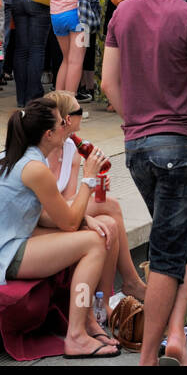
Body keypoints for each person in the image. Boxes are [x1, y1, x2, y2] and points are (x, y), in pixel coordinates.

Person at [101, 0, 187, 365]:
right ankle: (150, 356)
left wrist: (134, 118)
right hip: (181, 146)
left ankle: (176, 336)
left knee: (178, 236)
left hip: (138, 146)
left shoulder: (124, 12)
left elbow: (108, 83)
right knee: (169, 251)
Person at [0, 98, 119, 358]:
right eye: (63, 122)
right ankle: (76, 336)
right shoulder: (36, 168)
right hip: (1, 254)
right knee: (94, 243)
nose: (68, 125)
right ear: (49, 134)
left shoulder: (14, 155)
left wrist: (84, 221)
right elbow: (69, 222)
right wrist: (89, 178)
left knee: (94, 230)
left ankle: (88, 320)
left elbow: (47, 216)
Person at [45, 90, 148, 300]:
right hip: (42, 218)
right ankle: (131, 282)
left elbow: (70, 199)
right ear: (66, 119)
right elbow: (52, 207)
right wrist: (89, 184)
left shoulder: (71, 147)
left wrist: (89, 185)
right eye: (79, 110)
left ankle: (104, 301)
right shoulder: (42, 152)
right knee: (110, 205)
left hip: (62, 213)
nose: (83, 114)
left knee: (108, 224)